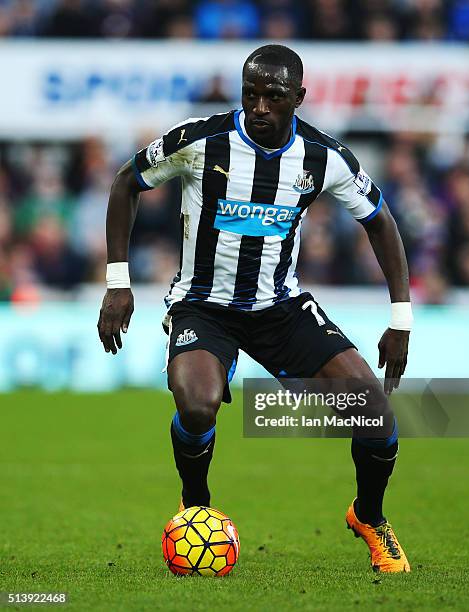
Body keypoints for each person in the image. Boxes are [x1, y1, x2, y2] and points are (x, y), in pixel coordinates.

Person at [98, 44, 412, 573]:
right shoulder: (200, 140)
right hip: (203, 305)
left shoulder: (323, 157)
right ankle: (195, 506)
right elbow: (126, 182)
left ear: (299, 98)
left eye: (274, 96)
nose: (260, 106)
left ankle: (369, 516)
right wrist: (117, 283)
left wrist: (400, 317)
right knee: (197, 403)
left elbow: (379, 220)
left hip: (280, 307)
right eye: (251, 94)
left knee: (376, 419)